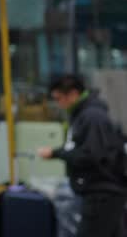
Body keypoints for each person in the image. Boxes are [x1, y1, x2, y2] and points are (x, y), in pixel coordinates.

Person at [38, 74, 126, 237]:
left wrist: (56, 153)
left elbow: (92, 155)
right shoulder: (83, 115)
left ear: (73, 94)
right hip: (101, 194)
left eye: (58, 98)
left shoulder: (92, 117)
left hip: (102, 195)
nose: (58, 103)